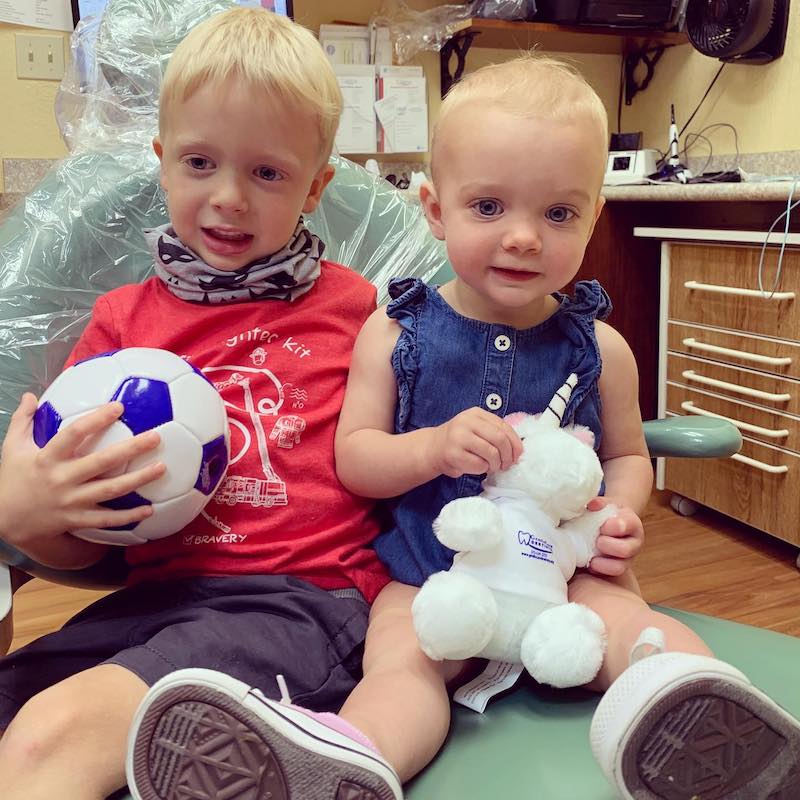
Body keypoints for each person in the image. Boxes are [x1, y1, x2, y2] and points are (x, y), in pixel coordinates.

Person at [331, 53, 800, 799]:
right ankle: (350, 761)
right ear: (433, 207)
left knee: (631, 626)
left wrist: (618, 511)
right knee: (400, 659)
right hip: (428, 572)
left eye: (557, 214)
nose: (524, 237)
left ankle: (713, 719)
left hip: (570, 576)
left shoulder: (601, 348)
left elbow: (628, 455)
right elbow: (355, 458)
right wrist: (430, 447)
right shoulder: (394, 335)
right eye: (488, 207)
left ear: (593, 217)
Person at [0, 8, 402, 800]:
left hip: (301, 602)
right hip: (154, 599)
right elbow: (91, 542)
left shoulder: (361, 315)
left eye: (268, 173)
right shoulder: (121, 324)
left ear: (317, 187)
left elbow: (420, 450)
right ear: (161, 163)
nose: (229, 198)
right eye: (199, 162)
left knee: (52, 738)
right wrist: (28, 512)